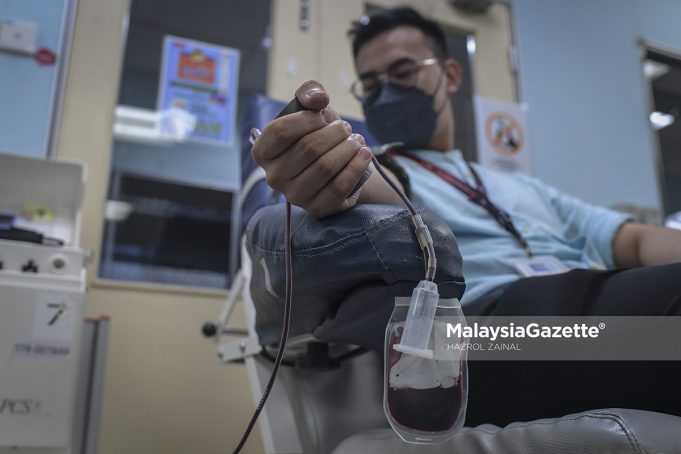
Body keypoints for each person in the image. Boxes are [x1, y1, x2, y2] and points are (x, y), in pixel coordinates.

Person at [251, 6, 681, 426]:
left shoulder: (524, 186)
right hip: (488, 339)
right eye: (371, 83)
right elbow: (367, 190)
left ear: (450, 75)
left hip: (582, 305)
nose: (386, 91)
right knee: (665, 332)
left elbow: (635, 240)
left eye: (402, 73)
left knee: (661, 334)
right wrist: (326, 167)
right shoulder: (380, 165)